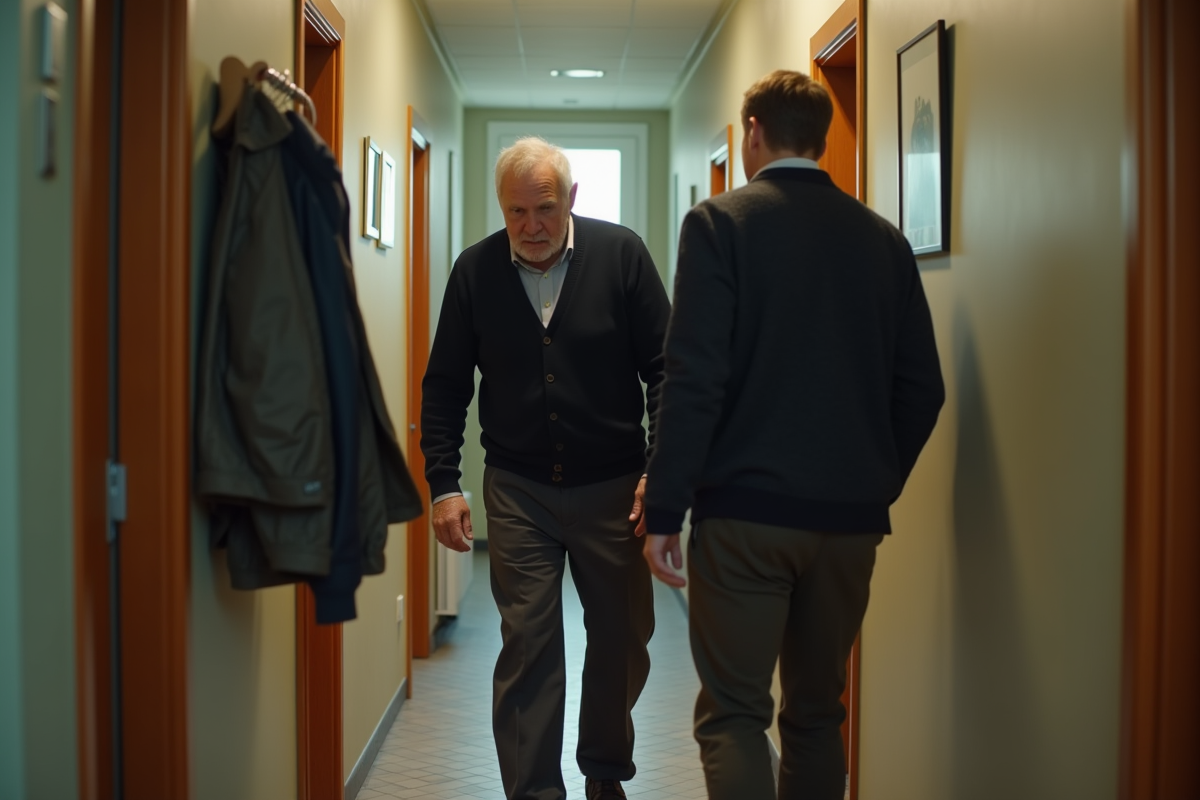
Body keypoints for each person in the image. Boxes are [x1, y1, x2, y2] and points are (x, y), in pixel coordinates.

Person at [642, 70, 945, 800]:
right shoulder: (884, 241)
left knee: (735, 715)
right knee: (816, 715)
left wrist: (664, 509)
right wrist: (869, 480)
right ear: (824, 137)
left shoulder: (720, 225)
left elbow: (695, 377)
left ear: (753, 131)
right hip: (849, 526)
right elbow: (922, 390)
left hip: (747, 517)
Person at [421, 136, 672, 800]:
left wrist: (658, 468)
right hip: (517, 489)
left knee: (622, 637)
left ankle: (604, 771)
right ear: (501, 209)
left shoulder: (621, 256)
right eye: (516, 212)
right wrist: (444, 482)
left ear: (572, 201)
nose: (531, 227)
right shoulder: (475, 272)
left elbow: (666, 371)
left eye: (546, 209)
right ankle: (534, 791)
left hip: (616, 487)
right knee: (529, 643)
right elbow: (445, 384)